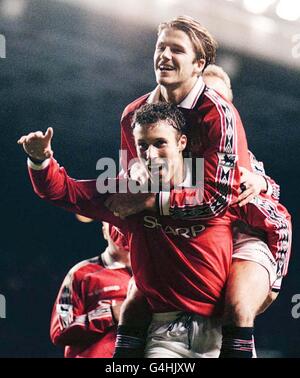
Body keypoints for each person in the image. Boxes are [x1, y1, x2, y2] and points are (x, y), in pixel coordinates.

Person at [18, 102, 290, 358]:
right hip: (165, 336)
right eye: (142, 145)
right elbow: (66, 193)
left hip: (224, 333)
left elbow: (277, 221)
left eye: (160, 143)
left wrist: (272, 283)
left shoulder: (215, 193)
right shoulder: (128, 197)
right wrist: (40, 161)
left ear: (182, 142)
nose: (151, 154)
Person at [101, 16, 292, 358]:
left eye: (221, 96)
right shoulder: (149, 123)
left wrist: (261, 182)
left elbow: (234, 198)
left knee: (236, 306)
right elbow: (132, 186)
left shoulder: (225, 127)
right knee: (134, 302)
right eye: (162, 47)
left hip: (244, 231)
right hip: (192, 229)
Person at [50, 222, 131, 358]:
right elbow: (59, 330)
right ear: (104, 231)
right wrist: (110, 313)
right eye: (114, 224)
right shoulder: (81, 274)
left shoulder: (155, 274)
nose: (122, 231)